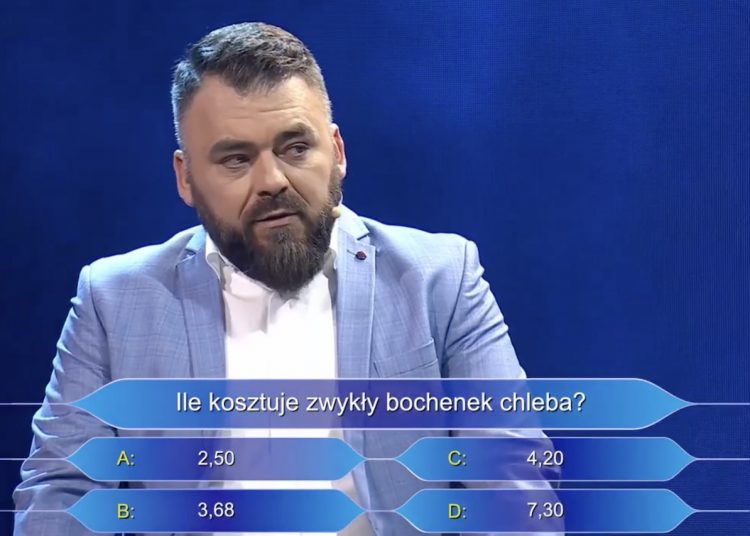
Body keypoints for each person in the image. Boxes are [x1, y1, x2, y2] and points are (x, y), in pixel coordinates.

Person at [13, 22, 557, 536]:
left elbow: (510, 474)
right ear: (186, 178)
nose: (272, 180)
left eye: (296, 148)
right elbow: (61, 492)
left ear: (336, 152)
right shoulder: (112, 300)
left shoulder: (440, 278)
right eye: (235, 159)